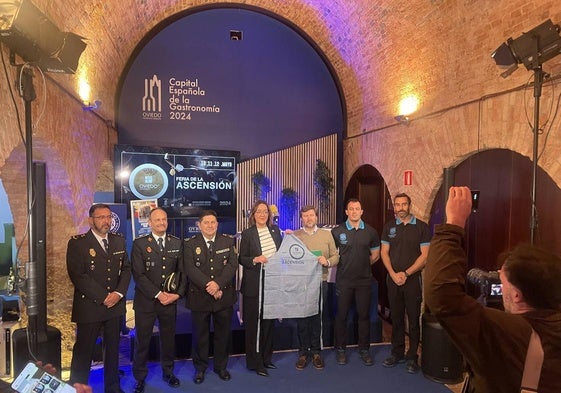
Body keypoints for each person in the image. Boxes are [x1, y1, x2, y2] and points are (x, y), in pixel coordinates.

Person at [425, 186, 561, 392]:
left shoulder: (510, 333)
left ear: (517, 295)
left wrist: (453, 224)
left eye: (503, 279)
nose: (498, 280)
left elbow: (442, 297)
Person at [66, 204, 131, 393]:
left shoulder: (118, 241)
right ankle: (77, 388)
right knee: (83, 352)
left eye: (109, 217)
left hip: (114, 307)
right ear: (91, 220)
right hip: (90, 307)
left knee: (112, 352)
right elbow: (78, 275)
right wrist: (104, 297)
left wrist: (118, 294)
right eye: (101, 217)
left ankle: (113, 387)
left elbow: (126, 269)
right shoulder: (78, 243)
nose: (106, 221)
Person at [130, 207, 185, 393]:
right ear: (150, 223)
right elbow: (138, 274)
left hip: (170, 301)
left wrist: (177, 294)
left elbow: (182, 272)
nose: (162, 223)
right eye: (157, 220)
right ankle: (139, 378)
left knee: (168, 340)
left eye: (164, 219)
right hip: (146, 302)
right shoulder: (139, 244)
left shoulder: (176, 243)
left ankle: (168, 372)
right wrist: (158, 294)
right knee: (142, 341)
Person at [184, 210, 238, 384]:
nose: (210, 225)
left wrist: (218, 285)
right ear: (199, 225)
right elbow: (190, 269)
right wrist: (210, 286)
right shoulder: (190, 244)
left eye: (213, 222)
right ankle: (200, 369)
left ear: (217, 224)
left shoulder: (228, 241)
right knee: (200, 335)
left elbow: (232, 265)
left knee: (223, 334)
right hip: (200, 297)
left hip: (223, 296)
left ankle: (221, 367)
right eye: (206, 222)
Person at [380, 193, 431, 374]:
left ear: (410, 205)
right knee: (397, 318)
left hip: (412, 281)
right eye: (397, 204)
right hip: (393, 280)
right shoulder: (389, 227)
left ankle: (412, 357)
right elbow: (384, 253)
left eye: (404, 204)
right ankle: (397, 352)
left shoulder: (422, 228)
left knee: (413, 319)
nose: (400, 207)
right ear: (394, 206)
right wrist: (393, 274)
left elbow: (425, 256)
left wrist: (406, 273)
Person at [331, 198, 380, 366]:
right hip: (344, 281)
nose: (354, 211)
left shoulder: (371, 232)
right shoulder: (337, 231)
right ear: (346, 212)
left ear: (361, 211)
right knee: (341, 316)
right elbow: (332, 253)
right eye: (351, 209)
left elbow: (375, 255)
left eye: (357, 209)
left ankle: (364, 350)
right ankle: (340, 349)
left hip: (364, 281)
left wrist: (362, 265)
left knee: (364, 316)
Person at [238, 200, 282, 377]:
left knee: (269, 324)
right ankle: (255, 363)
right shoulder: (248, 234)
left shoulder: (275, 231)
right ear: (253, 215)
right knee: (253, 325)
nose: (262, 214)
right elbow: (242, 258)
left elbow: (280, 253)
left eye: (265, 212)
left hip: (272, 285)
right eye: (259, 212)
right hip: (253, 285)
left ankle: (266, 359)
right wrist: (255, 259)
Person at [293, 205, 339, 370]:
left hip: (321, 281)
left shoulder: (326, 235)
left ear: (316, 217)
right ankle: (303, 353)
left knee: (317, 318)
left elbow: (335, 256)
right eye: (305, 216)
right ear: (301, 218)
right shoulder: (295, 236)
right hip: (301, 284)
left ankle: (316, 352)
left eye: (311, 215)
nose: (308, 218)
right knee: (302, 319)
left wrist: (326, 262)